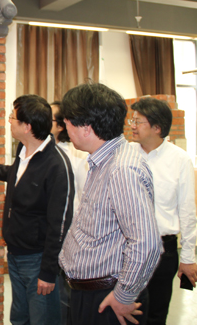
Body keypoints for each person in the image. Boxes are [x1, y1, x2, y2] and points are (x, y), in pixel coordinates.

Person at [58, 83, 161, 325]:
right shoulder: (104, 161)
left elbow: (146, 242)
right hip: (90, 293)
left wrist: (124, 296)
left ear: (86, 127)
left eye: (68, 122)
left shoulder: (122, 169)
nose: (65, 128)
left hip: (106, 298)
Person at [0, 94, 75, 325]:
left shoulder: (56, 165)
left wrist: (48, 271)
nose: (9, 121)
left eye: (12, 117)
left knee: (42, 319)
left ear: (27, 126)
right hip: (15, 255)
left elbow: (59, 224)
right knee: (20, 318)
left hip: (38, 260)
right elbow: (19, 176)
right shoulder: (23, 151)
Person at [129, 97, 197, 325]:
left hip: (163, 251)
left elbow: (187, 211)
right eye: (132, 120)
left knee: (156, 315)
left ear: (157, 128)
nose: (132, 126)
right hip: (128, 248)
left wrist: (188, 258)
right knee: (128, 313)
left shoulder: (179, 160)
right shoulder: (125, 154)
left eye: (138, 121)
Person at [51, 100, 89, 324]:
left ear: (60, 126)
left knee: (66, 297)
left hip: (70, 235)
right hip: (52, 234)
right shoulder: (45, 151)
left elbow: (81, 200)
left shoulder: (75, 156)